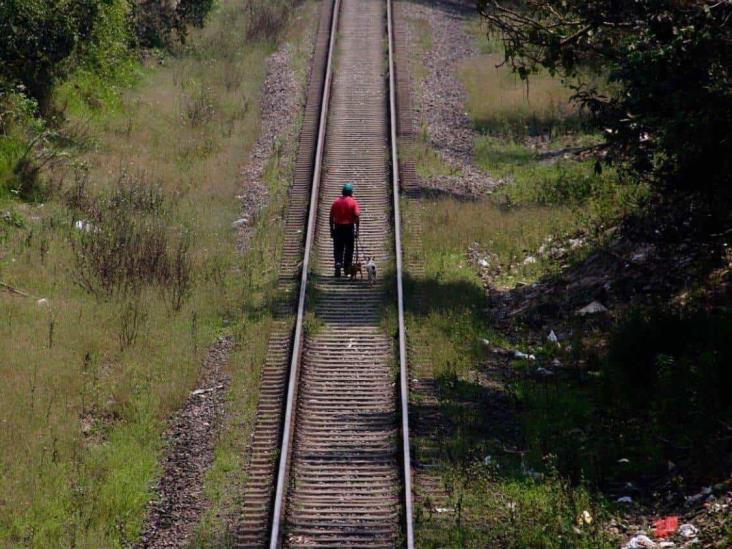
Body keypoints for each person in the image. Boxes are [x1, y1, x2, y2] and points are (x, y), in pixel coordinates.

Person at [329, 182, 360, 277]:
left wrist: (331, 229)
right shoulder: (353, 202)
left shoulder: (336, 202)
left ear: (342, 192)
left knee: (338, 248)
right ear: (351, 192)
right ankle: (347, 268)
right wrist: (357, 230)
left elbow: (331, 217)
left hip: (338, 228)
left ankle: (338, 263)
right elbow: (357, 217)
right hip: (349, 228)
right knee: (349, 249)